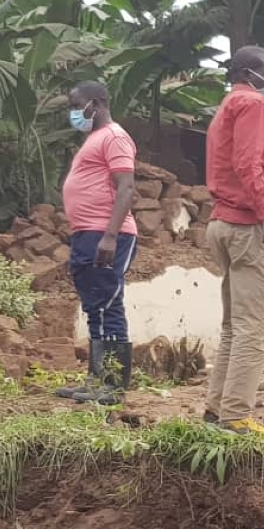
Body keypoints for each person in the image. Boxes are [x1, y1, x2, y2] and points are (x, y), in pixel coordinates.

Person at [203, 46, 264, 434]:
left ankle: (216, 409)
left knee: (233, 326)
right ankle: (235, 417)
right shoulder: (255, 103)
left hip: (221, 223)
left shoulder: (225, 107)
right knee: (253, 328)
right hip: (247, 226)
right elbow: (249, 163)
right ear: (250, 73)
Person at [57, 81, 139, 406]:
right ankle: (96, 380)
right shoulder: (94, 139)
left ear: (96, 103)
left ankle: (113, 383)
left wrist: (110, 235)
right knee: (95, 307)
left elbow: (127, 187)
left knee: (107, 303)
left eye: (77, 106)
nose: (74, 113)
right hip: (87, 233)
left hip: (105, 233)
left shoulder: (114, 136)